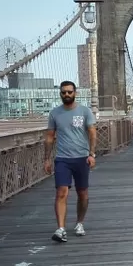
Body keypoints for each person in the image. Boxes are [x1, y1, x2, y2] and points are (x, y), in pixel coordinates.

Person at [44, 81, 97, 243]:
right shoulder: (55, 114)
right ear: (60, 94)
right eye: (63, 92)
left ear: (75, 93)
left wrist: (92, 154)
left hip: (81, 158)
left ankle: (79, 223)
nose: (66, 95)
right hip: (62, 159)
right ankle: (61, 229)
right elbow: (49, 137)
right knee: (61, 192)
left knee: (83, 193)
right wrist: (47, 158)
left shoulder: (84, 111)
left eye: (69, 92)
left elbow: (92, 133)